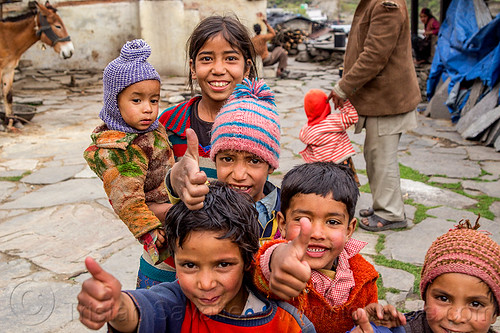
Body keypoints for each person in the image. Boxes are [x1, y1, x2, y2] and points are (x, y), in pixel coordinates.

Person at [77, 182, 316, 333]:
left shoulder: (288, 323)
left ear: (247, 260)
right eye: (190, 265)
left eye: (223, 264)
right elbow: (142, 310)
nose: (205, 283)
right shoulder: (176, 304)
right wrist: (117, 306)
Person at [140, 15, 258, 287]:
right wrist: (179, 200)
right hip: (167, 266)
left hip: (230, 271)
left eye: (230, 58)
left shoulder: (257, 126)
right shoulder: (165, 127)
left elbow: (262, 197)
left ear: (247, 67)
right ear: (193, 67)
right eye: (206, 59)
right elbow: (136, 202)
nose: (218, 69)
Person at [253, 162, 379, 333]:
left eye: (332, 222)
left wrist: (374, 323)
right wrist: (274, 260)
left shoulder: (363, 278)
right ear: (282, 224)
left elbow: (367, 321)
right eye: (303, 219)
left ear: (349, 229)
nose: (317, 233)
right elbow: (264, 266)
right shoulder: (283, 267)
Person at [328, 0, 421, 232]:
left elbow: (374, 56)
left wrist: (343, 87)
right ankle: (384, 204)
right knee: (375, 154)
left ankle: (390, 213)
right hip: (382, 97)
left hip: (388, 98)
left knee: (382, 156)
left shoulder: (386, 5)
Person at [83, 39, 174, 267]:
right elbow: (126, 199)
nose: (148, 108)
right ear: (115, 102)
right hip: (156, 213)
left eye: (154, 100)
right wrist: (148, 230)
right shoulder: (122, 151)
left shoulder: (149, 128)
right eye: (137, 100)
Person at [349, 218, 500, 333]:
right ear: (425, 298)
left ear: (495, 313)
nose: (456, 316)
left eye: (475, 304)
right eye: (443, 298)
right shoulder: (403, 328)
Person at [299, 89, 360, 186]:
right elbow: (353, 117)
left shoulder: (306, 129)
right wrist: (343, 103)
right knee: (346, 188)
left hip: (321, 169)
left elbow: (302, 137)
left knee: (327, 190)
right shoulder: (334, 121)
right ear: (326, 105)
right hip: (341, 163)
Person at [252, 12, 288, 78]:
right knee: (281, 50)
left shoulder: (252, 39)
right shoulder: (262, 37)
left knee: (280, 52)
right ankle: (280, 70)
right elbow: (273, 34)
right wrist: (266, 24)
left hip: (258, 60)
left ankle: (280, 70)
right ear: (261, 30)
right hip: (265, 60)